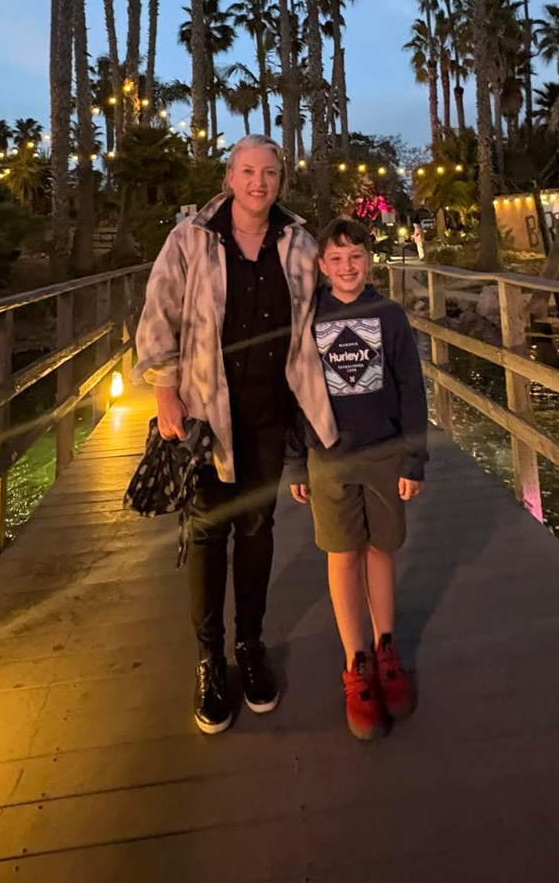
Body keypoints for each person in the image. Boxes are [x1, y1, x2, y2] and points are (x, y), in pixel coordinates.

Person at [133, 136, 339, 735]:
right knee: (206, 530)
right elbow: (159, 313)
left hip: (269, 413)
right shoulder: (191, 238)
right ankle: (209, 658)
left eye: (269, 173)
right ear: (230, 175)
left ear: (280, 180)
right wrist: (164, 387)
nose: (258, 183)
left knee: (257, 528)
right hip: (205, 413)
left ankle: (249, 646)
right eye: (248, 171)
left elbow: (326, 310)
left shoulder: (297, 243)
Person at [286, 217, 427, 740]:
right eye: (336, 259)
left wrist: (414, 459)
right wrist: (296, 460)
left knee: (380, 548)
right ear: (321, 267)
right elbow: (293, 392)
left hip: (385, 452)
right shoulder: (308, 318)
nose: (347, 268)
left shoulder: (389, 315)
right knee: (342, 552)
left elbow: (411, 387)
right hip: (329, 455)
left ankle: (387, 646)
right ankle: (357, 661)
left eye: (356, 257)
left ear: (369, 260)